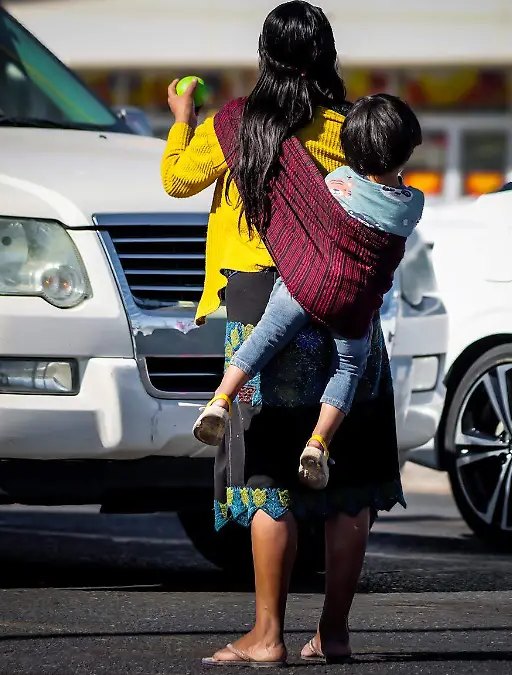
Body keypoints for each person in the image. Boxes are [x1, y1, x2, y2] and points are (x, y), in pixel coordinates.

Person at [160, 1, 405, 666]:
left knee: (269, 479)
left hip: (259, 302)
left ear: (266, 57)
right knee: (348, 482)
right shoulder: (348, 128)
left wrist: (182, 123)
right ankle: (336, 633)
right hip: (344, 304)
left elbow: (178, 179)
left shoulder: (236, 125)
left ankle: (266, 635)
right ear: (327, 57)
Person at [192, 94, 424, 493]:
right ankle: (318, 444)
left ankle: (220, 400)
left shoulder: (336, 184)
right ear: (406, 152)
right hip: (353, 306)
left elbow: (306, 216)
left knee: (263, 338)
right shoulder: (411, 205)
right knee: (348, 370)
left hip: (304, 285)